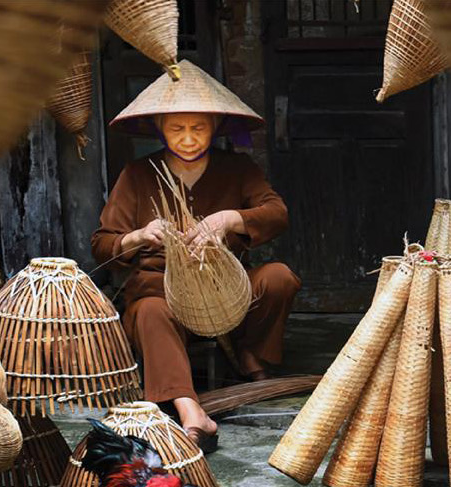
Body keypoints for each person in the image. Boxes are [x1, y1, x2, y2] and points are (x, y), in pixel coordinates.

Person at [92, 60, 300, 450]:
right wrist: (139, 235)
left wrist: (229, 219)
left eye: (198, 128)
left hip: (227, 292)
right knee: (149, 312)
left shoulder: (237, 168)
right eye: (177, 128)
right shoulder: (138, 174)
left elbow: (277, 214)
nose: (188, 138)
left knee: (278, 278)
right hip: (161, 292)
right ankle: (190, 410)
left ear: (215, 128)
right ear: (160, 129)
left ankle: (251, 355)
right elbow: (103, 243)